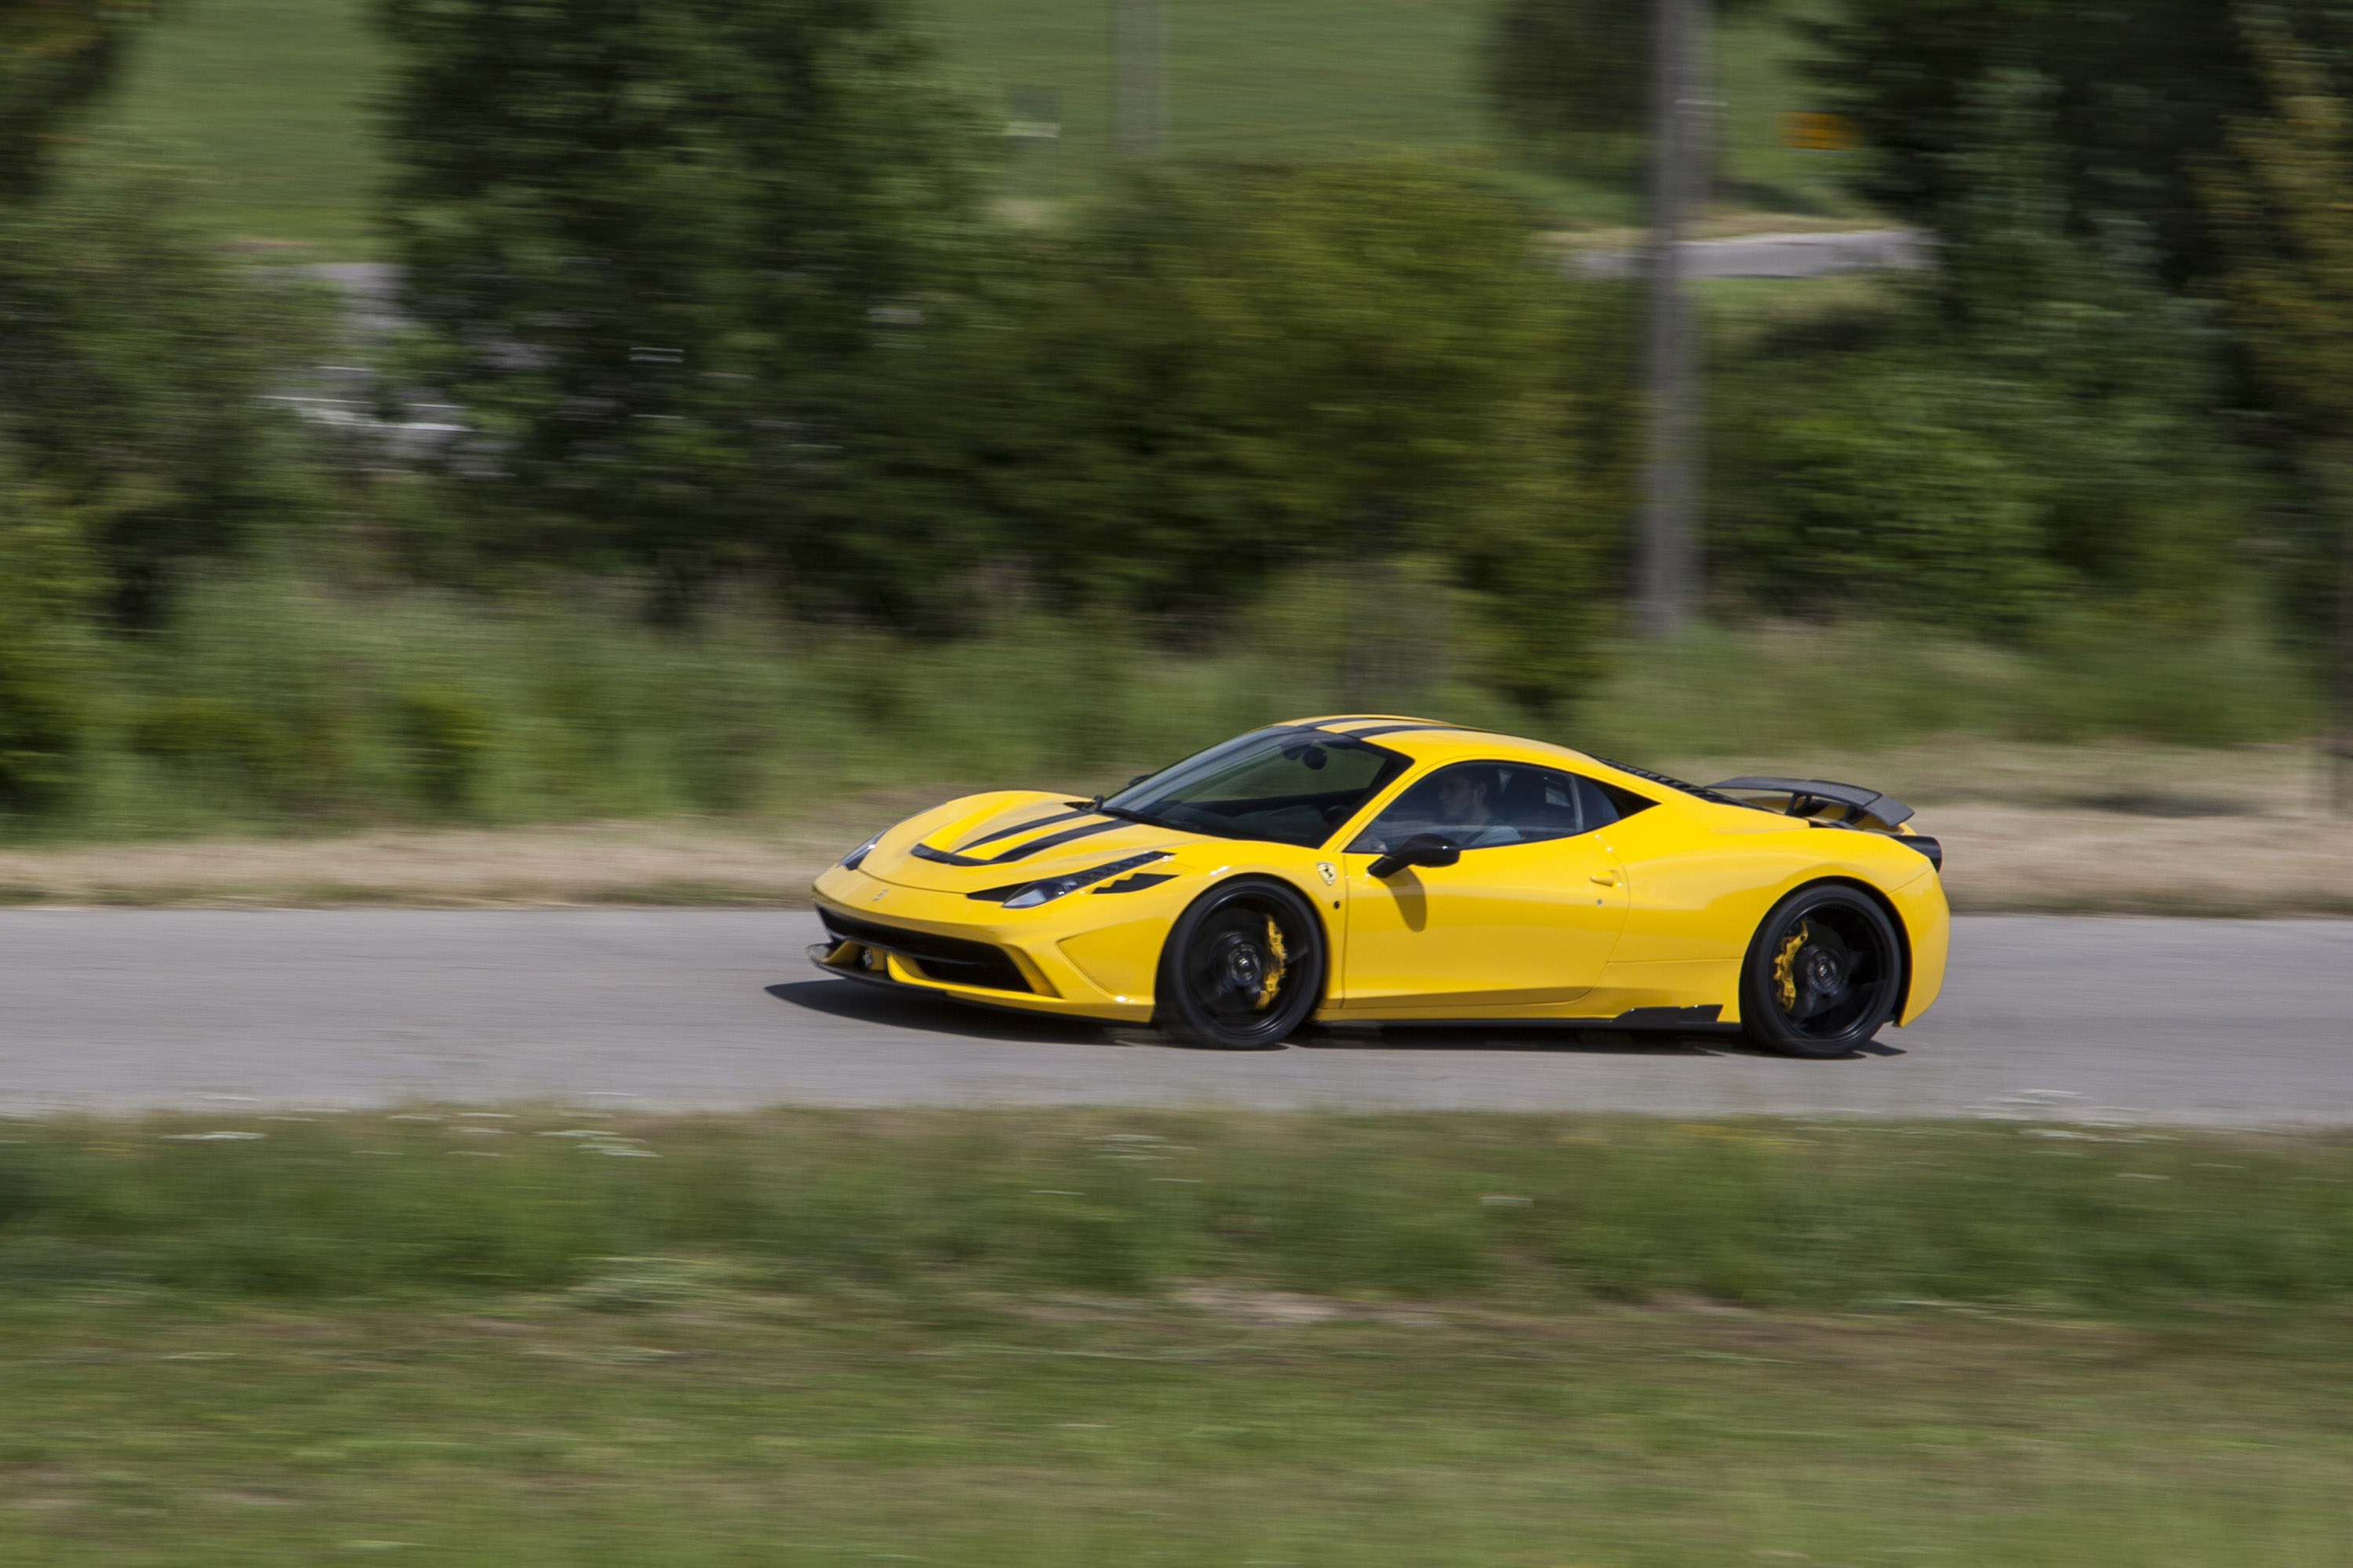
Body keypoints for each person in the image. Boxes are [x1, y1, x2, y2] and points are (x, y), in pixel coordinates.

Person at [1434, 769, 1521, 847]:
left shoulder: (1501, 837)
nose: (1441, 796)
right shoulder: (1448, 830)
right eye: (1441, 788)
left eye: (1452, 788)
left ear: (1480, 791)